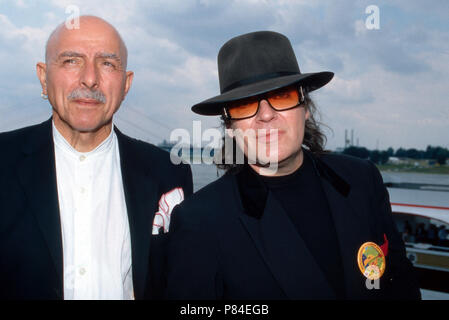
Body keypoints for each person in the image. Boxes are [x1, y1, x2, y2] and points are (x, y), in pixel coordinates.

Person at [165, 31, 420, 299]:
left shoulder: (361, 179)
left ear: (305, 106)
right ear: (229, 126)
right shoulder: (200, 219)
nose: (266, 115)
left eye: (282, 96)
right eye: (244, 105)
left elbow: (400, 284)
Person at [0, 16, 192, 300]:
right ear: (43, 77)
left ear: (126, 84)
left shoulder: (167, 174)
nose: (90, 79)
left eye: (107, 64)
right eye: (71, 61)